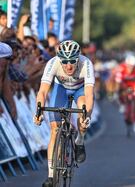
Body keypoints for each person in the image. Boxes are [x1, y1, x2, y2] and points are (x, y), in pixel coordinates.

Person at [33, 40, 95, 187]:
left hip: (80, 90)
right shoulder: (53, 63)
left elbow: (89, 95)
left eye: (73, 61)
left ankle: (79, 140)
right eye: (65, 61)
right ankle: (50, 175)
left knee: (83, 107)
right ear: (59, 59)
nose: (68, 65)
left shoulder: (86, 64)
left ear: (78, 58)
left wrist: (87, 116)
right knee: (55, 129)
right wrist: (38, 111)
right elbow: (42, 91)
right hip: (61, 89)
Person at [114, 54, 135, 136]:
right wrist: (117, 93)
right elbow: (118, 83)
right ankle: (122, 104)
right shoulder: (121, 68)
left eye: (132, 66)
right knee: (120, 93)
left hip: (134, 86)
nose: (131, 68)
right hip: (124, 86)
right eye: (129, 66)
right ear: (126, 64)